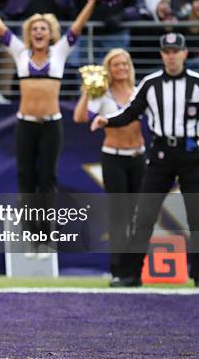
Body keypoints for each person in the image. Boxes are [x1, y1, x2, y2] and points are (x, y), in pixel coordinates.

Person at [0, 0, 98, 252]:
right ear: (29, 34)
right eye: (34, 29)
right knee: (25, 178)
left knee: (47, 179)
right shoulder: (20, 53)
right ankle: (31, 235)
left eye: (43, 28)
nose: (39, 32)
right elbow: (0, 28)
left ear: (50, 32)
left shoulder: (59, 53)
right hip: (26, 124)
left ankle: (47, 236)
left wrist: (92, 1)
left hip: (52, 125)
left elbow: (78, 27)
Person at [91, 33, 199, 288]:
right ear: (161, 54)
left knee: (197, 217)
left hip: (190, 153)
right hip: (160, 154)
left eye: (175, 51)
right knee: (144, 215)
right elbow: (130, 113)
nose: (171, 55)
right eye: (166, 51)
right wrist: (107, 121)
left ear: (184, 53)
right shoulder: (150, 83)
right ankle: (131, 274)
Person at [73, 48, 144, 278]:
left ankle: (135, 268)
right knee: (119, 214)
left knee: (138, 214)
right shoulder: (102, 94)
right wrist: (87, 89)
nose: (121, 68)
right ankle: (117, 269)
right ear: (108, 69)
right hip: (114, 158)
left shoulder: (139, 91)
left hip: (139, 156)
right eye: (116, 65)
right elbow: (80, 117)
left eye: (125, 64)